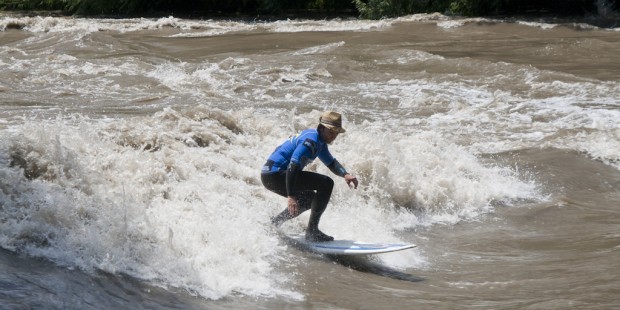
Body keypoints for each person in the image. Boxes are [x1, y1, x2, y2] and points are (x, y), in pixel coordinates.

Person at [261, 111, 359, 242]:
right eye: (331, 132)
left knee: (309, 199)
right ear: (322, 127)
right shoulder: (310, 141)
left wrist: (345, 174)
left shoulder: (320, 142)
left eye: (336, 133)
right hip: (275, 175)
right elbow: (293, 166)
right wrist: (291, 196)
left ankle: (275, 223)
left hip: (271, 175)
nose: (334, 136)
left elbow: (331, 162)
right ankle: (312, 232)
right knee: (326, 183)